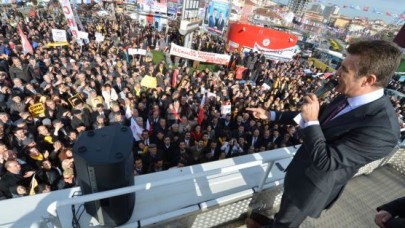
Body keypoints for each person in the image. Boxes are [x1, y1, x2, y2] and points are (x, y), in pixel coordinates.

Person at [247, 40, 402, 227]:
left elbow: (326, 161)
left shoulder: (383, 130)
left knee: (286, 223)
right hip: (299, 172)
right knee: (283, 214)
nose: (337, 73)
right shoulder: (349, 95)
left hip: (311, 188)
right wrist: (272, 115)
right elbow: (316, 115)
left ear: (368, 80)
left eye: (344, 69)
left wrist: (311, 122)